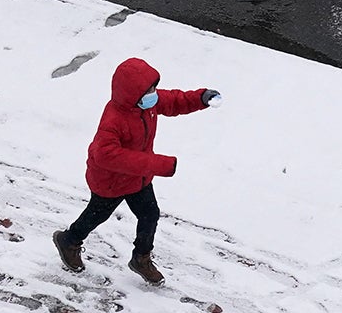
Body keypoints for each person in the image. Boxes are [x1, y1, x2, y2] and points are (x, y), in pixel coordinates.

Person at [52, 57, 219, 284]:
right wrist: (157, 164)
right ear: (132, 94)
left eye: (154, 88)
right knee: (97, 215)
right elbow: (105, 154)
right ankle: (69, 240)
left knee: (150, 214)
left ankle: (141, 258)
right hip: (110, 181)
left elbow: (174, 101)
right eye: (148, 90)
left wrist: (200, 97)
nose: (154, 93)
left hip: (136, 178)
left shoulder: (146, 105)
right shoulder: (114, 119)